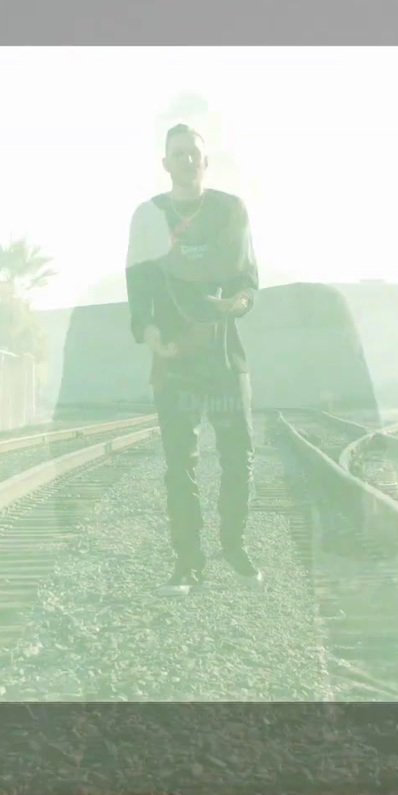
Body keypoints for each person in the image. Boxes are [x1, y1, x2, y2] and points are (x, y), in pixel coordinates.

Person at [124, 123, 261, 596]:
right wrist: (151, 331)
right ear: (165, 163)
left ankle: (234, 547)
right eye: (177, 154)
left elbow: (247, 280)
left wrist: (238, 305)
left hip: (224, 355)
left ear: (206, 162)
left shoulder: (230, 210)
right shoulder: (148, 217)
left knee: (238, 457)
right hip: (175, 359)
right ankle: (188, 562)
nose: (186, 161)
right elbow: (138, 287)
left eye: (193, 154)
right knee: (179, 464)